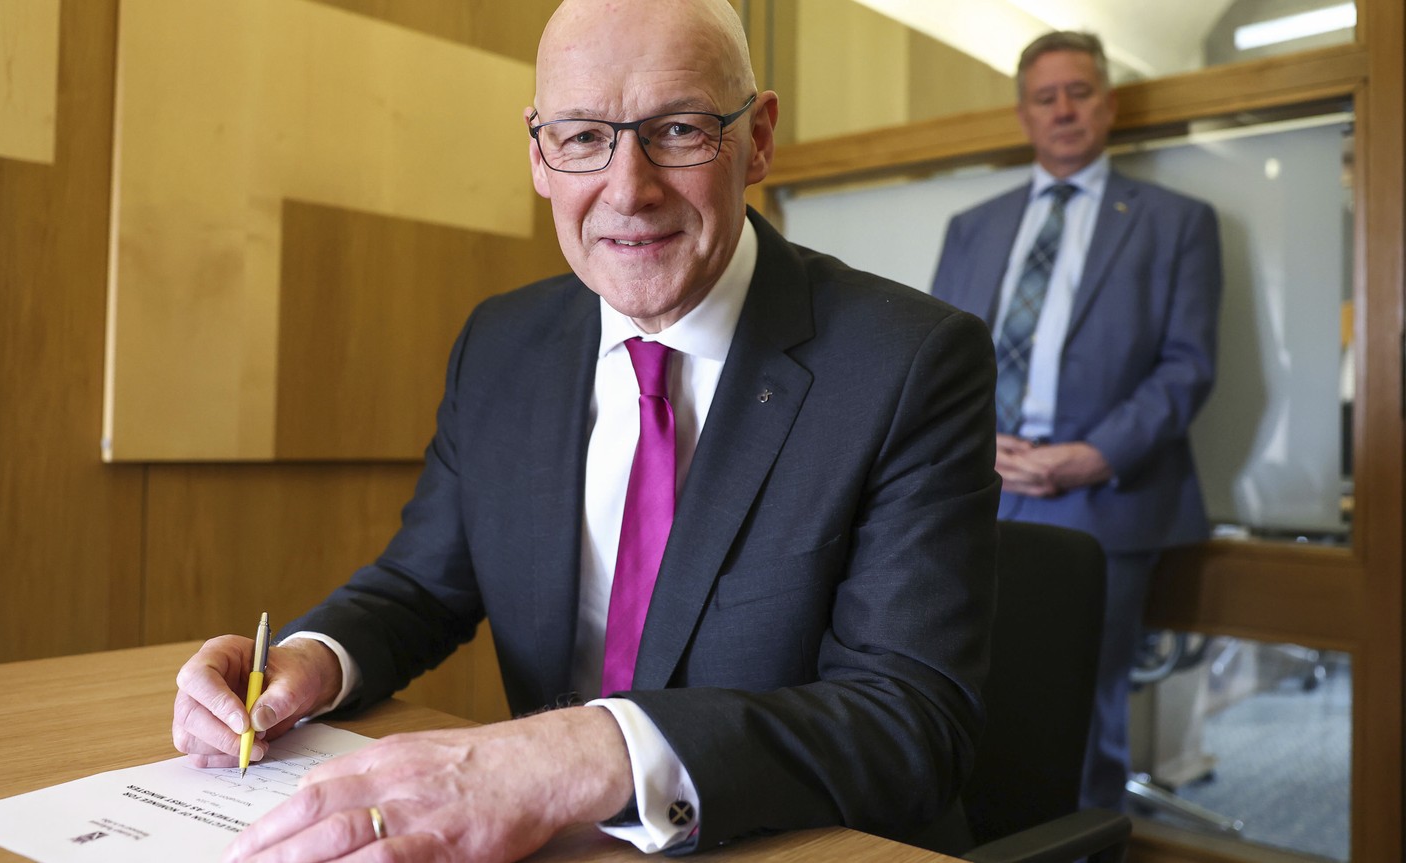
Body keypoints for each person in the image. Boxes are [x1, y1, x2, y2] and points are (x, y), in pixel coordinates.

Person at [173, 1, 1000, 859]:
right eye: (581, 138)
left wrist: (582, 752)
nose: (627, 187)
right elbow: (421, 585)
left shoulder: (910, 362)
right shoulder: (501, 345)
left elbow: (911, 722)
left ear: (758, 138)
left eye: (678, 130)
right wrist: (309, 661)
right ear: (539, 155)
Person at [931, 31, 1221, 813]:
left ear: (1109, 104)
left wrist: (1094, 455)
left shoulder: (1177, 221)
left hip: (1105, 500)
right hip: (977, 494)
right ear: (1023, 114)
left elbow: (1189, 365)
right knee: (962, 695)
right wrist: (970, 440)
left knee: (1088, 719)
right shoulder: (974, 225)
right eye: (1045, 95)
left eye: (1079, 91)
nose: (1063, 109)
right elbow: (937, 358)